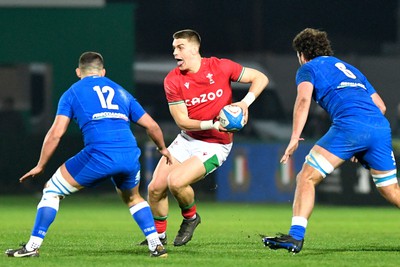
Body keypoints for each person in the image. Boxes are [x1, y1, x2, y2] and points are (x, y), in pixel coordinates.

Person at [5, 51, 172, 258]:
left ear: (78, 72)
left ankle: (31, 248)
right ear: (103, 72)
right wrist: (163, 148)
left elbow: (56, 133)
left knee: (51, 190)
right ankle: (156, 245)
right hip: (129, 154)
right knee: (133, 198)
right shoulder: (121, 91)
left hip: (100, 154)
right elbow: (152, 126)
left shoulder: (72, 92)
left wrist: (40, 165)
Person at [262, 28, 400, 254]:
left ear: (302, 54)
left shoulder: (308, 68)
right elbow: (381, 106)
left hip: (350, 126)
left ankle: (295, 237)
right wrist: (362, 143)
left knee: (306, 177)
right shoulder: (352, 70)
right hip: (379, 127)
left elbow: (303, 100)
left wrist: (295, 136)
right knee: (392, 190)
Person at [140, 29, 269, 247]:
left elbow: (260, 77)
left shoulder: (221, 67)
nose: (175, 53)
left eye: (180, 47)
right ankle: (158, 237)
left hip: (216, 145)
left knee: (177, 182)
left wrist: (245, 103)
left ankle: (190, 218)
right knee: (154, 188)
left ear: (194, 48)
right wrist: (213, 123)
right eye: (173, 48)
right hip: (187, 139)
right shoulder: (173, 80)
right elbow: (182, 120)